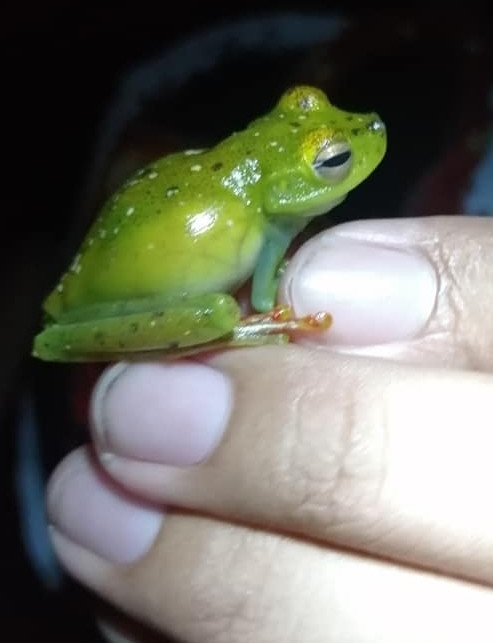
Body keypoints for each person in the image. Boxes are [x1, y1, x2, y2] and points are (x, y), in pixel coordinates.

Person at [46, 213, 493, 643]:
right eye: (331, 161)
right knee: (219, 314)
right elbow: (263, 301)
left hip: (81, 405)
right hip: (80, 404)